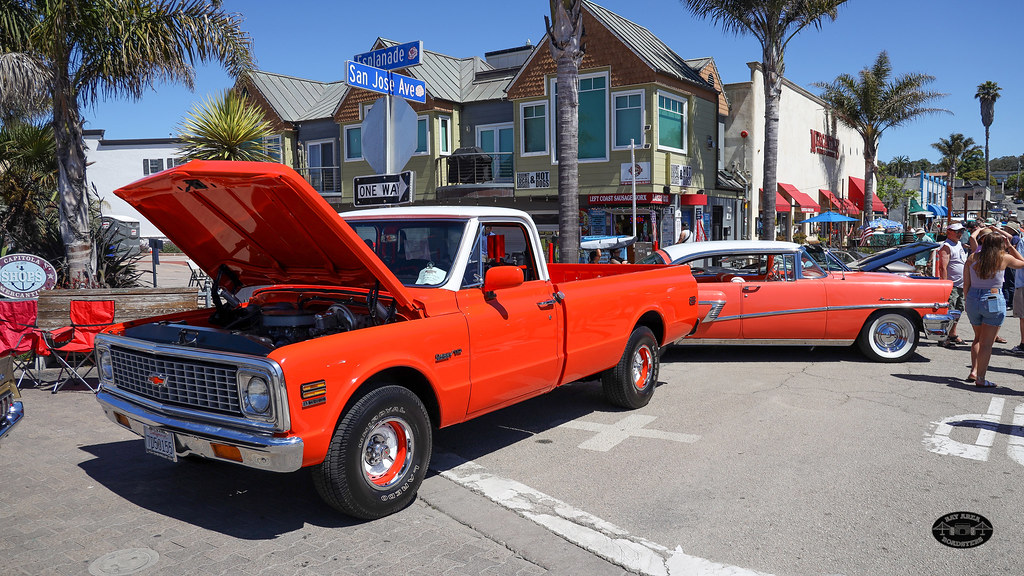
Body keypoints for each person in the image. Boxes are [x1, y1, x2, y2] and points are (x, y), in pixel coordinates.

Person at [963, 230, 1024, 386]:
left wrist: (967, 300)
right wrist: (1010, 247)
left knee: (977, 338)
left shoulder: (972, 258)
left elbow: (966, 284)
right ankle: (981, 379)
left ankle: (974, 371)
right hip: (992, 299)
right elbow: (1022, 262)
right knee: (987, 343)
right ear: (1000, 244)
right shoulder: (1003, 258)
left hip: (973, 299)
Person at [937, 222, 967, 348]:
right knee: (949, 311)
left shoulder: (958, 244)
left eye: (961, 231)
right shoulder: (946, 246)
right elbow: (943, 267)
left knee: (958, 310)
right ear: (949, 232)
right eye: (957, 231)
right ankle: (943, 336)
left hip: (961, 284)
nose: (960, 234)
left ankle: (952, 333)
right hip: (952, 285)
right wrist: (945, 285)